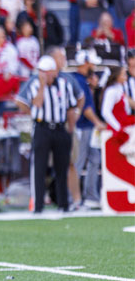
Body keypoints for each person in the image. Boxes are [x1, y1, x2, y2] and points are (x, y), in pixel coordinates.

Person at [15, 56, 81, 213]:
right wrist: (42, 86)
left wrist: (70, 128)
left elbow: (71, 107)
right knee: (39, 167)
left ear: (54, 72)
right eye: (41, 72)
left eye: (47, 72)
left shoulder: (64, 84)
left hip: (59, 128)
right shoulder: (35, 84)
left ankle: (63, 204)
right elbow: (36, 103)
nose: (44, 75)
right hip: (42, 128)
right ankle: (38, 206)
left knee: (62, 167)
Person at [69, 50, 107, 210]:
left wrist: (93, 86)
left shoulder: (83, 81)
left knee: (95, 160)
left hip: (88, 127)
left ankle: (91, 195)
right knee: (79, 162)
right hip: (82, 127)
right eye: (92, 63)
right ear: (85, 63)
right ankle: (74, 198)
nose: (94, 66)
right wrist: (97, 122)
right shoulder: (78, 81)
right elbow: (85, 108)